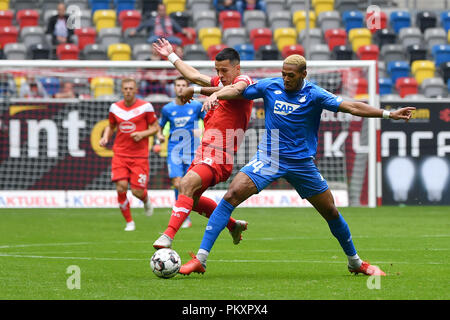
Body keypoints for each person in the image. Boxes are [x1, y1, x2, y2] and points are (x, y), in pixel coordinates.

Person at [179, 54, 416, 276]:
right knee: (231, 195)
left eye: (290, 75)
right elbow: (237, 92)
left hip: (302, 164)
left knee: (331, 211)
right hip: (268, 158)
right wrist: (204, 91)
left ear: (303, 73)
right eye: (283, 73)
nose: (285, 79)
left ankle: (355, 262)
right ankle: (201, 259)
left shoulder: (315, 94)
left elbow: (352, 107)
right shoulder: (270, 86)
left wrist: (388, 114)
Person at [151, 38, 254, 249]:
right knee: (191, 198)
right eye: (217, 70)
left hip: (220, 153)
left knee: (186, 184)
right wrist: (171, 55)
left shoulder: (244, 80)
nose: (220, 76)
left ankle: (167, 237)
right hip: (204, 151)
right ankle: (233, 225)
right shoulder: (220, 83)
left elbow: (236, 90)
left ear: (237, 67)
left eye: (224, 70)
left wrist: (203, 92)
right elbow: (194, 75)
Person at [99, 78, 160, 231]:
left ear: (136, 90)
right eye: (125, 88)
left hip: (139, 156)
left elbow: (155, 127)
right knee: (121, 187)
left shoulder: (146, 107)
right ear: (122, 90)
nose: (128, 91)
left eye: (130, 88)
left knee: (137, 191)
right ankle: (129, 222)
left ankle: (145, 200)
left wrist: (142, 134)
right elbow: (111, 126)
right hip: (120, 153)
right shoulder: (114, 108)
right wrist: (106, 136)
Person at [156, 77, 206, 229]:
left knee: (189, 185)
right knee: (178, 183)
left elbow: (208, 121)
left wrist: (203, 131)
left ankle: (184, 215)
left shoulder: (196, 106)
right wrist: (159, 136)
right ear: (174, 88)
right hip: (174, 152)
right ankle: (181, 214)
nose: (181, 88)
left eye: (184, 85)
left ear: (188, 88)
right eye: (178, 85)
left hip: (192, 151)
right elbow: (160, 126)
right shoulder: (167, 109)